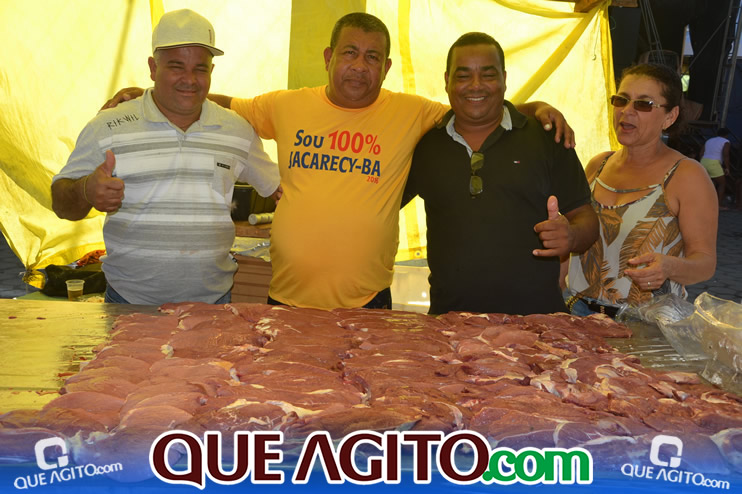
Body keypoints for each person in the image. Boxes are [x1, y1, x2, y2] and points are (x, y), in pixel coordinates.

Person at [103, 12, 575, 311]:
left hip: (368, 301)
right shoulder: (286, 104)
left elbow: (477, 106)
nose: (360, 65)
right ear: (329, 57)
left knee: (357, 414)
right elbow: (219, 103)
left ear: (386, 68)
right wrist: (150, 95)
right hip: (285, 297)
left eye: (372, 57)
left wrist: (535, 108)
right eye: (350, 53)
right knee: (287, 410)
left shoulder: (413, 112)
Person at [51, 9, 280, 305]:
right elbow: (61, 204)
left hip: (212, 306)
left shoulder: (236, 130)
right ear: (152, 67)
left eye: (200, 69)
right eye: (176, 66)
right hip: (129, 304)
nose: (190, 79)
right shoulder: (108, 126)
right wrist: (85, 190)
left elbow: (280, 191)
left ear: (212, 70)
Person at [401, 33, 598, 315]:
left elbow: (586, 219)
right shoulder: (425, 145)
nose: (476, 85)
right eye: (463, 76)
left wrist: (572, 235)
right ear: (447, 81)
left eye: (488, 75)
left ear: (504, 79)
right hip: (450, 326)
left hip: (538, 325)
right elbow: (380, 208)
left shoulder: (546, 137)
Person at [565, 63, 717, 316]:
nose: (627, 111)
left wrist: (669, 267)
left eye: (644, 104)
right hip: (577, 313)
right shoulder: (598, 165)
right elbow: (572, 243)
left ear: (670, 116)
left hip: (646, 322)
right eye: (621, 100)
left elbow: (705, 263)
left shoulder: (687, 175)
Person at [700, 127, 732, 209]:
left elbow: (701, 153)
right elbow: (726, 155)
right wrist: (727, 168)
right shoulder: (726, 142)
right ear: (726, 135)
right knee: (722, 184)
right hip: (714, 163)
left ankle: (704, 202)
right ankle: (718, 205)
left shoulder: (709, 140)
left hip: (703, 161)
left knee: (708, 183)